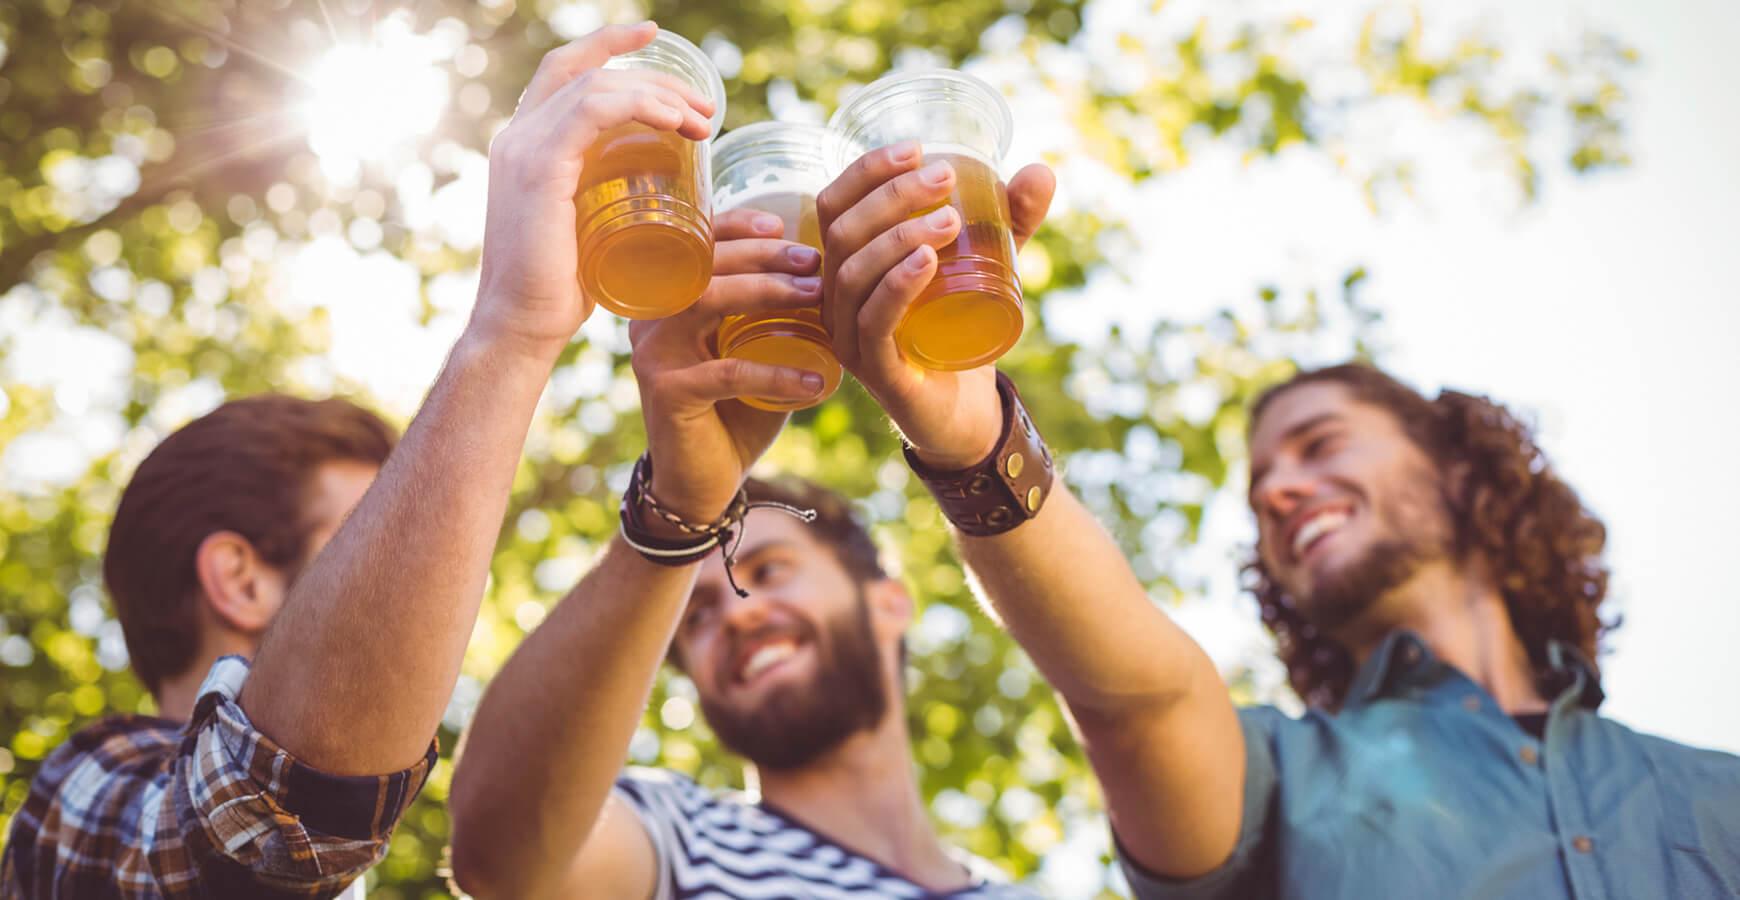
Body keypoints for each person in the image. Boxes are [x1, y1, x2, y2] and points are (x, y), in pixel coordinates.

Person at [815, 139, 1740, 896]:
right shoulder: (1274, 775)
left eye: (1320, 444)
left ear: (1459, 467)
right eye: (1260, 485)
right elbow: (1134, 699)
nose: (1277, 492)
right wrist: (976, 441)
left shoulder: (1717, 795)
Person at [1, 19, 727, 899]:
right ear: (239, 579)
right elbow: (272, 816)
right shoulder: (84, 795)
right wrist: (512, 332)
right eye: (362, 527)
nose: (433, 569)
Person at [444, 121, 1058, 900]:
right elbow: (499, 858)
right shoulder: (674, 840)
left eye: (768, 570)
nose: (736, 615)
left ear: (888, 602)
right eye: (696, 617)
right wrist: (677, 509)